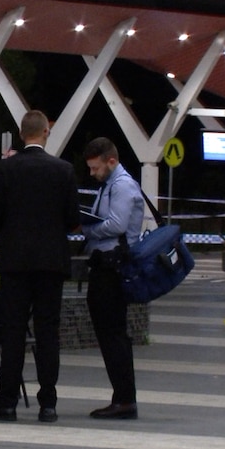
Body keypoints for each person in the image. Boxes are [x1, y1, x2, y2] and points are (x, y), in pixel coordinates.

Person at [0, 110, 79, 423]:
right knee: (48, 331)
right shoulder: (64, 170)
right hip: (51, 262)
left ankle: (7, 402)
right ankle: (48, 403)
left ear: (21, 134)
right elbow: (73, 220)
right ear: (46, 133)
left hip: (14, 262)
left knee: (13, 332)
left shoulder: (6, 169)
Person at [80, 137, 144, 420]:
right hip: (105, 266)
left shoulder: (123, 186)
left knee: (113, 334)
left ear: (111, 161)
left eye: (95, 168)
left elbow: (117, 224)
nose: (92, 174)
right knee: (110, 334)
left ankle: (124, 399)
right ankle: (122, 397)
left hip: (112, 267)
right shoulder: (110, 185)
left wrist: (88, 230)